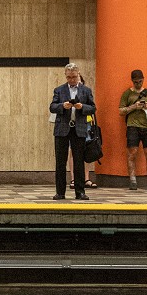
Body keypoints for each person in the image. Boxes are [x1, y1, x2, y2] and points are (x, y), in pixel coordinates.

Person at [51, 63, 96, 200]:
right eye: (69, 77)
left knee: (78, 161)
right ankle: (60, 192)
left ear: (78, 75)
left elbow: (93, 108)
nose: (71, 80)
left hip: (79, 128)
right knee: (60, 161)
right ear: (65, 76)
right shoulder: (59, 90)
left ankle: (80, 192)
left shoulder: (86, 91)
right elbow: (52, 107)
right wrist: (62, 106)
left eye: (74, 77)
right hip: (62, 129)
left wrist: (82, 107)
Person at [119, 69, 147, 191]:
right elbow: (121, 111)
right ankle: (132, 180)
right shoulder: (127, 94)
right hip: (132, 126)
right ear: (132, 81)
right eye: (136, 82)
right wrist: (133, 107)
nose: (138, 84)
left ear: (143, 79)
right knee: (132, 152)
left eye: (140, 81)